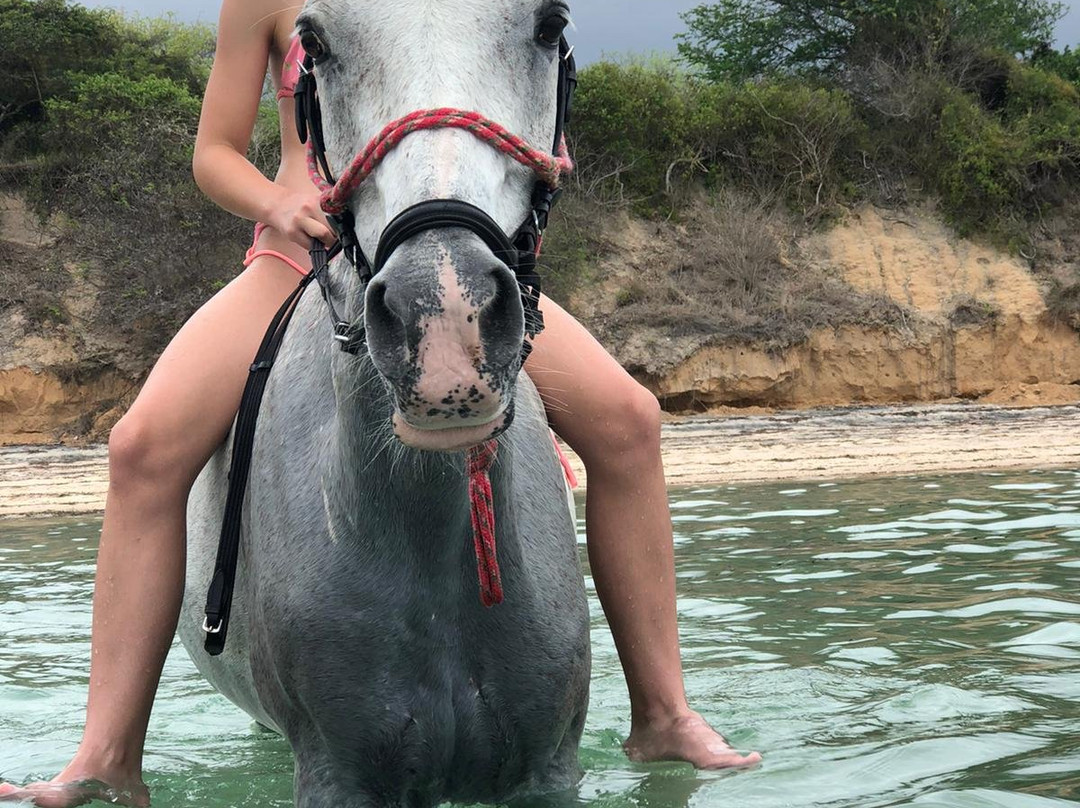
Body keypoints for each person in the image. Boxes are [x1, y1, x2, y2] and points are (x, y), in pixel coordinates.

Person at [0, 1, 760, 805]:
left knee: (630, 421)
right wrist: (278, 203)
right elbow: (214, 155)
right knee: (141, 449)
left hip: (436, 241)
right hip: (299, 256)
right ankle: (107, 750)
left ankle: (664, 713)